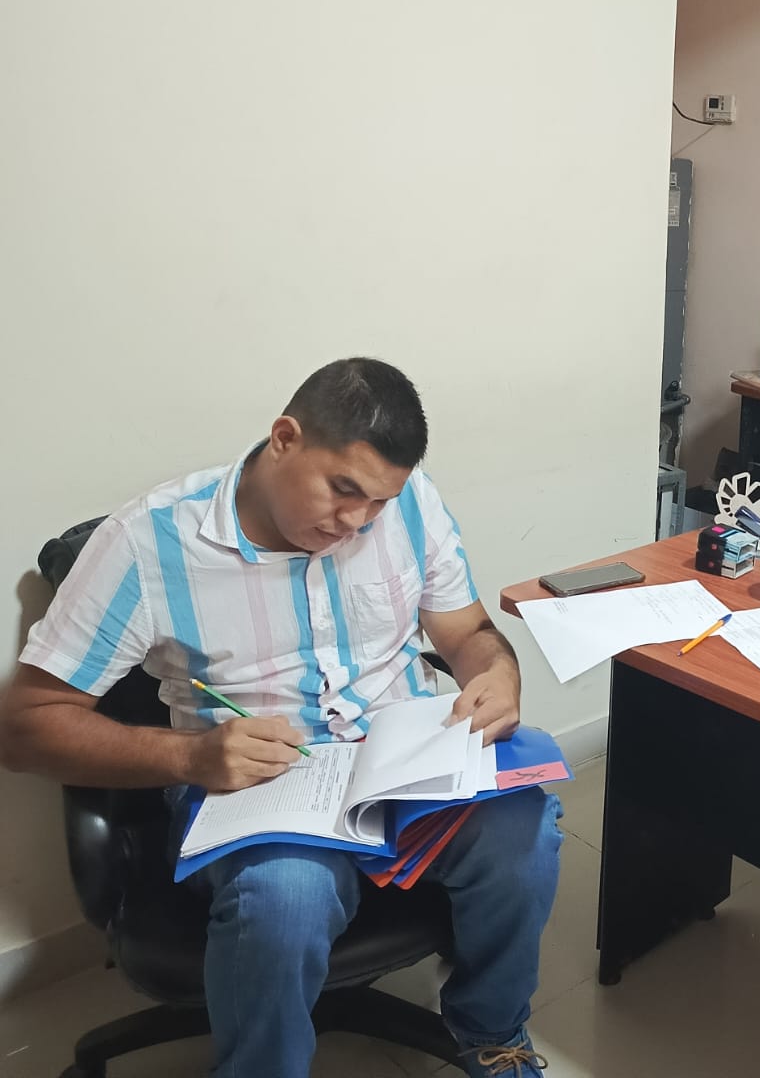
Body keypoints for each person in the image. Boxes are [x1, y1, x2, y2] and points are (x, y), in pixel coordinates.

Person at [0, 359, 560, 1078]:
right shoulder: (148, 543)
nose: (356, 523)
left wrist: (498, 673)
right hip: (254, 784)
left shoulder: (410, 504)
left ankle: (491, 1035)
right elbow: (25, 728)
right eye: (343, 490)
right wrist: (190, 758)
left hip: (401, 765)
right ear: (285, 438)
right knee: (285, 898)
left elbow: (469, 632)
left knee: (524, 833)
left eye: (378, 502)